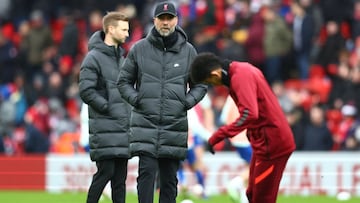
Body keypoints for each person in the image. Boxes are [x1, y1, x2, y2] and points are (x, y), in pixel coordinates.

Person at [116, 2, 207, 203]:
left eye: (169, 18)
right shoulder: (139, 49)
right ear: (155, 20)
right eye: (162, 18)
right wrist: (137, 100)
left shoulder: (188, 51)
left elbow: (201, 85)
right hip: (145, 123)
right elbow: (123, 82)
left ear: (176, 20)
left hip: (174, 124)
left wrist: (186, 102)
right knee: (146, 175)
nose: (165, 22)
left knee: (169, 180)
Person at [189, 52, 296, 203]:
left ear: (215, 74)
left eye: (210, 82)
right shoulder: (243, 69)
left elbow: (250, 113)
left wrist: (219, 134)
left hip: (272, 145)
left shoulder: (239, 77)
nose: (214, 85)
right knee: (252, 194)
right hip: (265, 142)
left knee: (262, 198)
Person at [78, 11, 131, 203]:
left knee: (120, 180)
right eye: (124, 30)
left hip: (123, 127)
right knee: (105, 172)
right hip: (105, 126)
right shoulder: (93, 58)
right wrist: (107, 107)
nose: (127, 34)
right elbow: (86, 90)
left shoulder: (122, 59)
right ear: (110, 29)